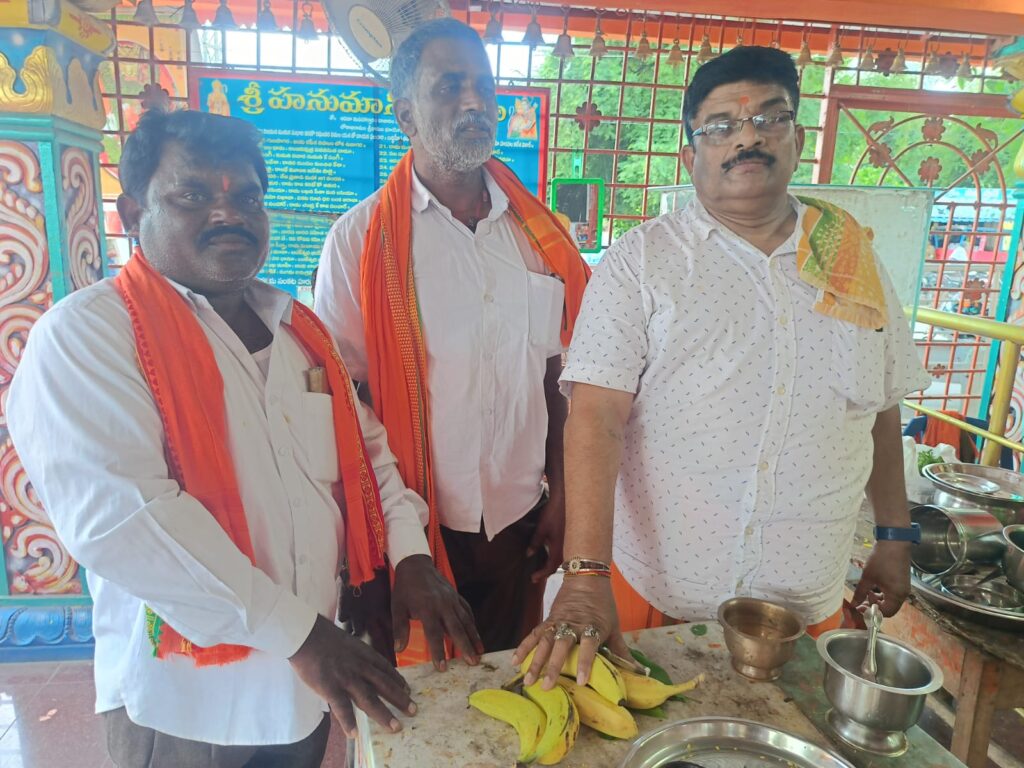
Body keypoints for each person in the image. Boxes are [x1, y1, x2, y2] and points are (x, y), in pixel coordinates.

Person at [6, 109, 481, 768]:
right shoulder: (89, 336)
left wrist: (409, 557)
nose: (228, 213)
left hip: (306, 691)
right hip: (189, 702)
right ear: (132, 212)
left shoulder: (298, 333)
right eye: (193, 194)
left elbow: (367, 458)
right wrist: (303, 636)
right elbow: (127, 522)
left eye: (248, 198)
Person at [515, 45, 931, 689]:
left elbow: (879, 406)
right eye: (721, 126)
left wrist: (895, 536)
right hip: (655, 596)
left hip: (806, 604)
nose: (747, 138)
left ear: (797, 139)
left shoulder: (851, 257)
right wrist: (586, 574)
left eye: (770, 118)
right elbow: (595, 419)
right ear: (691, 156)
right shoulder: (642, 262)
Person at [314, 18, 591, 658]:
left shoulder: (539, 236)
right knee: (421, 695)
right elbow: (345, 403)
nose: (473, 102)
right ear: (406, 115)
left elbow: (557, 374)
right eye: (449, 87)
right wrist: (387, 548)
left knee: (513, 687)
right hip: (412, 531)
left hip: (519, 524)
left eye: (483, 86)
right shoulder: (360, 242)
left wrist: (562, 495)